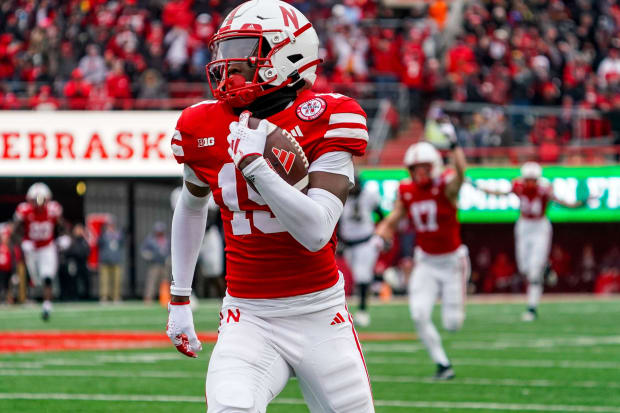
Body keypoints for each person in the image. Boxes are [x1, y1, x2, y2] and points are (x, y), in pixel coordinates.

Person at [165, 1, 374, 411]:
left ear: (288, 54)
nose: (229, 65)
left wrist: (256, 167)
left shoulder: (330, 115)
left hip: (320, 313)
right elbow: (191, 206)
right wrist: (179, 297)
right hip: (248, 316)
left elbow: (316, 232)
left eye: (245, 49)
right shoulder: (200, 124)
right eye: (224, 52)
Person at [375, 139, 469, 380]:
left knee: (453, 324)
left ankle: (445, 356)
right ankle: (443, 365)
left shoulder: (446, 187)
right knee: (418, 313)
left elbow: (461, 173)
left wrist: (455, 146)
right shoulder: (407, 191)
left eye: (424, 167)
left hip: (452, 262)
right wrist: (381, 234)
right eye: (415, 168)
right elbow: (394, 217)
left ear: (434, 166)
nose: (419, 173)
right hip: (426, 261)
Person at [475, 162, 585, 321]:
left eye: (533, 180)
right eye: (528, 179)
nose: (530, 183)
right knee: (524, 268)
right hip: (524, 226)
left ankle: (532, 308)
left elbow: (560, 201)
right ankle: (545, 268)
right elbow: (501, 193)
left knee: (534, 271)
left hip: (540, 226)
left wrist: (576, 205)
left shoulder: (545, 189)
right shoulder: (518, 185)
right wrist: (482, 189)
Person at [13, 182, 63, 320]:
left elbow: (62, 225)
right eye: (36, 199)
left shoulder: (53, 210)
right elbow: (14, 231)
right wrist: (23, 242)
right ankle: (29, 296)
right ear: (30, 200)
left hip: (47, 247)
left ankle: (47, 305)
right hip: (32, 249)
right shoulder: (25, 211)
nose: (39, 203)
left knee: (47, 276)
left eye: (42, 199)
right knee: (35, 279)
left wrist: (63, 238)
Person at [338, 175, 384, 327]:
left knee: (362, 275)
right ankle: (359, 309)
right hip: (349, 245)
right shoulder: (341, 196)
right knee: (357, 275)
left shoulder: (368, 196)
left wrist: (381, 235)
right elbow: (337, 221)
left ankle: (363, 311)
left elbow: (381, 214)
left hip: (366, 242)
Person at [141, 221, 170, 304]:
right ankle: (148, 298)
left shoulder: (167, 239)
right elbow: (143, 250)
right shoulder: (150, 239)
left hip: (165, 264)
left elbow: (171, 249)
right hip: (154, 264)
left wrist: (169, 258)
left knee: (165, 281)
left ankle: (165, 298)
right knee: (152, 281)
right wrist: (148, 255)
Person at [98, 219, 125, 302]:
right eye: (109, 225)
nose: (111, 227)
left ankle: (116, 296)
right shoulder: (103, 235)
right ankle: (104, 297)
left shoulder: (119, 235)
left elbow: (122, 243)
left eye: (112, 225)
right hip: (105, 260)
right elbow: (99, 243)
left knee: (117, 280)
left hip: (116, 260)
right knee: (104, 280)